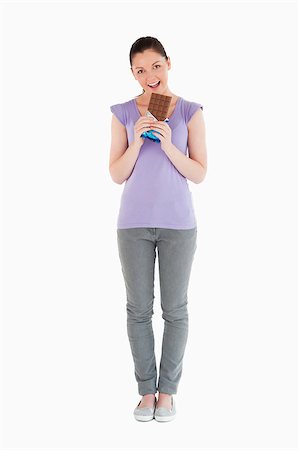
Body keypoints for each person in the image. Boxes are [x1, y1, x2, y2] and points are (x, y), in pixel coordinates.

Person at [109, 36, 207, 422]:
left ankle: (168, 393)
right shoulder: (122, 113)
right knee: (137, 310)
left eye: (155, 66)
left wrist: (168, 145)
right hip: (132, 224)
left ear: (168, 62)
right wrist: (136, 139)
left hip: (179, 224)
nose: (149, 76)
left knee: (175, 310)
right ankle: (146, 393)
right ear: (132, 74)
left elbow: (199, 173)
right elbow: (117, 174)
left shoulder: (188, 111)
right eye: (139, 70)